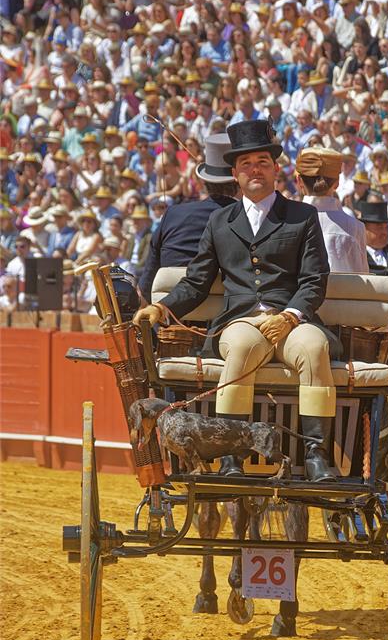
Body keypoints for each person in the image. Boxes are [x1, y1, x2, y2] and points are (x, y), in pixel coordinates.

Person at [134, 119, 339, 483]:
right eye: (246, 164)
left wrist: (291, 316)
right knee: (241, 347)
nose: (254, 170)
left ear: (276, 168)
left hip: (293, 321)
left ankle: (316, 454)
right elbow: (197, 281)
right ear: (235, 173)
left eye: (262, 162)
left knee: (315, 347)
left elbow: (314, 280)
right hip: (241, 321)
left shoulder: (302, 217)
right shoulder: (219, 221)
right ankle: (231, 454)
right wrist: (163, 307)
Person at [138, 133, 239, 302]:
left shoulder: (172, 214)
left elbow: (147, 281)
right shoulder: (245, 217)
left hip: (168, 316)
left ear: (203, 182)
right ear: (237, 181)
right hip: (224, 320)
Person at [295, 147, 369, 274]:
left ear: (299, 181)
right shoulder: (356, 227)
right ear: (337, 183)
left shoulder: (286, 223)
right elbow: (362, 281)